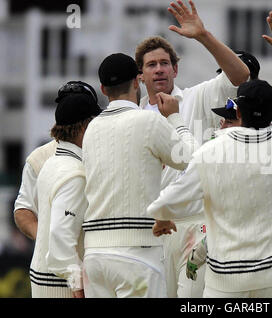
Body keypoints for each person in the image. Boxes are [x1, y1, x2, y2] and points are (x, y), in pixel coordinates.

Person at [147, 10, 272, 298]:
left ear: (237, 111)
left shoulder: (211, 151)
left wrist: (164, 216)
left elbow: (171, 199)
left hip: (225, 281)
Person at [134, 0, 250, 298]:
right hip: (150, 231)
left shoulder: (196, 98)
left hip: (194, 225)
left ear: (175, 68)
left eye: (164, 64)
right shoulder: (131, 118)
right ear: (140, 76)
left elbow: (240, 75)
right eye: (151, 65)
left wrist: (202, 36)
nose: (159, 70)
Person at [81, 53, 195, 298]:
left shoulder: (91, 129)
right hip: (137, 254)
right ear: (137, 82)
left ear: (102, 88)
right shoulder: (148, 121)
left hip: (94, 256)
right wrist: (175, 117)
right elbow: (189, 158)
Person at [30, 92, 101, 298]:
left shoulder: (52, 163)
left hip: (43, 277)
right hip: (60, 285)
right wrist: (77, 286)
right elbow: (60, 236)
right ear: (82, 128)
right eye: (94, 124)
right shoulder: (75, 174)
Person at [13, 82, 100, 242]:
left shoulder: (107, 151)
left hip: (96, 255)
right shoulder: (38, 158)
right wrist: (47, 241)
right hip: (59, 262)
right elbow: (24, 208)